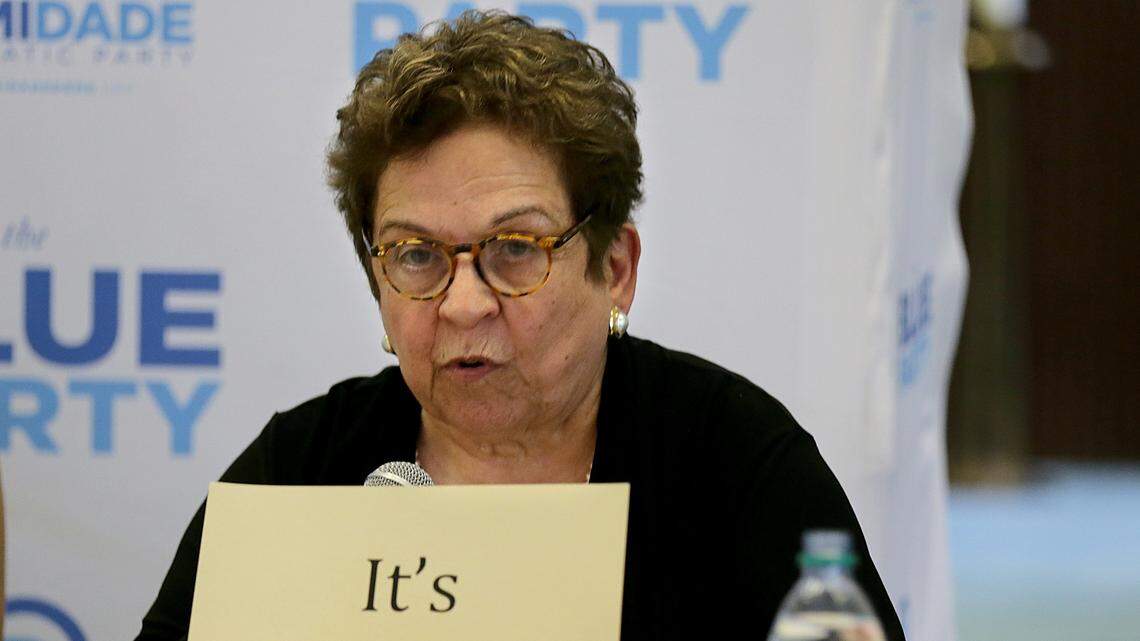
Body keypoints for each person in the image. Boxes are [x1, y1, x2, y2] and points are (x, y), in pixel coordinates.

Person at [136, 11, 905, 641]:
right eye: (415, 255)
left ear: (614, 269)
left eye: (513, 249)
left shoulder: (735, 465)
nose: (463, 303)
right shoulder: (300, 470)